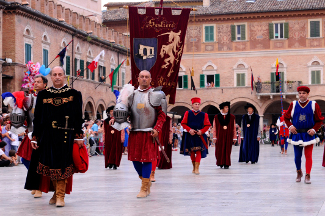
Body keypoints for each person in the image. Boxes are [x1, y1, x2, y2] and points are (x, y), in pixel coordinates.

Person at [26, 66, 84, 207]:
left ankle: (60, 196)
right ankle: (55, 194)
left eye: (60, 74)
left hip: (66, 136)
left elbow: (78, 117)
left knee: (63, 166)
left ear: (64, 76)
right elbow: (38, 118)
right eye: (55, 74)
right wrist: (35, 136)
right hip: (47, 136)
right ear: (51, 77)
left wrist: (79, 136)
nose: (57, 77)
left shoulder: (74, 94)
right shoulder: (43, 95)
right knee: (50, 167)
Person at [110, 70, 166, 198]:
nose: (144, 79)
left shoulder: (156, 94)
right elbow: (126, 112)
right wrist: (116, 119)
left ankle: (144, 187)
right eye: (142, 77)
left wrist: (157, 128)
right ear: (138, 79)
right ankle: (145, 181)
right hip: (135, 132)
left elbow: (162, 115)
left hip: (149, 133)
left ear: (150, 79)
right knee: (135, 159)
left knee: (147, 160)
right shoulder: (132, 95)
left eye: (147, 77)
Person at [284, 86, 324, 184]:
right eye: (300, 93)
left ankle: (308, 175)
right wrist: (290, 126)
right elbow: (286, 118)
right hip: (296, 134)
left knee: (308, 155)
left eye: (304, 93)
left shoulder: (313, 104)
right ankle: (299, 172)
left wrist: (314, 130)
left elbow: (319, 120)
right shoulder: (293, 104)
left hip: (308, 134)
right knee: (297, 156)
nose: (301, 95)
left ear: (307, 94)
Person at [21, 74, 48, 198]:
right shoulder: (30, 98)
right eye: (35, 82)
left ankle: (39, 187)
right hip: (30, 133)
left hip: (43, 134)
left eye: (38, 82)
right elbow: (25, 116)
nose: (36, 83)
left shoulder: (48, 98)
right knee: (26, 159)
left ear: (45, 84)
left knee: (39, 161)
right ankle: (33, 184)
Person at [181, 97, 211, 175]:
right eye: (195, 104)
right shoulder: (187, 113)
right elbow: (183, 123)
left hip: (199, 135)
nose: (197, 106)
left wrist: (202, 131)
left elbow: (208, 125)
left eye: (198, 104)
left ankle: (197, 168)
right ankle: (194, 167)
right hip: (190, 135)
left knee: (198, 151)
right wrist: (189, 130)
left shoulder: (204, 114)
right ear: (192, 105)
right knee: (191, 151)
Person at [213, 102, 236, 169]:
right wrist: (214, 137)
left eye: (228, 107)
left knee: (227, 150)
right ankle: (220, 162)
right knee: (219, 150)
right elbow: (214, 127)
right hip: (219, 136)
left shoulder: (231, 117)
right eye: (226, 107)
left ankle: (227, 163)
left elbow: (234, 127)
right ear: (222, 108)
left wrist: (234, 137)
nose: (227, 109)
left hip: (228, 136)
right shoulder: (217, 117)